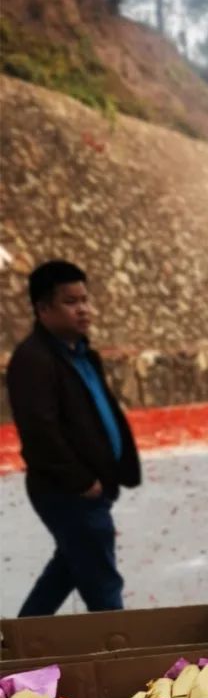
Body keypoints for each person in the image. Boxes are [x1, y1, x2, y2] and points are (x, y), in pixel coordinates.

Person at [6, 260, 140, 615]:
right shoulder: (34, 360)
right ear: (43, 308)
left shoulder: (81, 354)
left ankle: (18, 639)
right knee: (103, 585)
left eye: (85, 299)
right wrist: (82, 482)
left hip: (89, 487)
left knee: (66, 571)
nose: (83, 309)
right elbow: (39, 433)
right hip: (68, 491)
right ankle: (117, 642)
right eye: (70, 302)